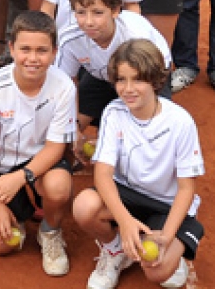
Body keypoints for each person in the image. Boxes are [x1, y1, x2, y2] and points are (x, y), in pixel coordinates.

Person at [72, 39, 204, 289]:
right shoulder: (113, 113)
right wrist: (124, 221)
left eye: (138, 79)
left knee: (158, 273)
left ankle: (174, 253)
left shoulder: (181, 122)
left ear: (155, 81)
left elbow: (187, 189)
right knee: (84, 206)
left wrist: (165, 237)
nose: (128, 89)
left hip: (165, 205)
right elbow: (102, 175)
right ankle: (114, 250)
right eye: (121, 79)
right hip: (127, 198)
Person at [0, 11, 75, 276]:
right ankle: (15, 213)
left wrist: (21, 178)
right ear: (11, 49)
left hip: (38, 162)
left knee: (59, 187)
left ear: (54, 52)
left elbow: (55, 148)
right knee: (0, 245)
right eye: (25, 49)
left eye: (42, 50)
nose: (33, 58)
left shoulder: (64, 87)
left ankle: (50, 231)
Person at [55, 0, 170, 142]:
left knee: (148, 132)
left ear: (115, 10)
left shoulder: (136, 36)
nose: (89, 22)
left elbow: (143, 85)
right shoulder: (69, 39)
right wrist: (72, 128)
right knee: (65, 127)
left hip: (146, 77)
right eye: (81, 12)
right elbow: (66, 85)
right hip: (101, 75)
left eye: (98, 12)